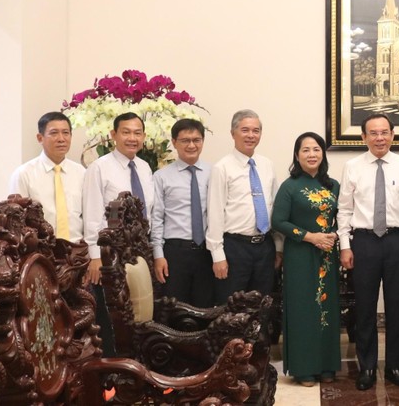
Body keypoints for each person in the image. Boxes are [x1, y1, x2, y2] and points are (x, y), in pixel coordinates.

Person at [337, 114, 399, 391]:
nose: (379, 138)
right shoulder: (352, 166)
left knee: (396, 306)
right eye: (373, 133)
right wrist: (345, 246)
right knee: (366, 307)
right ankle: (367, 366)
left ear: (393, 135)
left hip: (395, 241)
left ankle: (394, 365)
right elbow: (344, 209)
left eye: (384, 132)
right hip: (364, 243)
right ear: (363, 137)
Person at [272, 132, 341, 387]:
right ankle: (304, 369)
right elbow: (278, 221)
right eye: (305, 150)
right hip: (300, 254)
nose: (311, 154)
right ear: (297, 155)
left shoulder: (333, 184)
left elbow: (341, 217)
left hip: (327, 256)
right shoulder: (289, 186)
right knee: (303, 309)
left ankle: (327, 365)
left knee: (326, 308)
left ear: (323, 154)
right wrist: (310, 236)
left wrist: (332, 236)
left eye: (316, 149)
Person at [83, 112, 154, 356]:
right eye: (126, 132)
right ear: (113, 135)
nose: (132, 138)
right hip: (110, 254)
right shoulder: (99, 168)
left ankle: (138, 361)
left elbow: (150, 212)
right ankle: (113, 365)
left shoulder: (145, 168)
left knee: (139, 309)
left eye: (137, 132)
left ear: (144, 136)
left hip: (140, 252)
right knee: (113, 313)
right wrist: (95, 256)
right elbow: (92, 214)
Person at [206, 109, 283, 305]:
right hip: (234, 248)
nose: (251, 135)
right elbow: (215, 213)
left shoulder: (266, 165)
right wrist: (217, 255)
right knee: (232, 308)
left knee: (262, 306)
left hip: (264, 247)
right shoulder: (222, 167)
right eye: (245, 130)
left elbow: (274, 207)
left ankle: (257, 338)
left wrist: (278, 247)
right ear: (233, 133)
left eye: (256, 131)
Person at [150, 119, 213, 308]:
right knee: (175, 309)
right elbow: (157, 218)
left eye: (197, 139)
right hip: (175, 253)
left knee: (206, 307)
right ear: (174, 142)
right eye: (185, 140)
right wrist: (158, 255)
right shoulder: (161, 177)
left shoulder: (215, 173)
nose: (192, 145)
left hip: (207, 253)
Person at [9, 111, 85, 243]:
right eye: (54, 133)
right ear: (40, 138)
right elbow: (16, 221)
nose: (61, 139)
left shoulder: (82, 172)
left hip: (77, 250)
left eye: (66, 133)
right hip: (41, 252)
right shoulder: (24, 174)